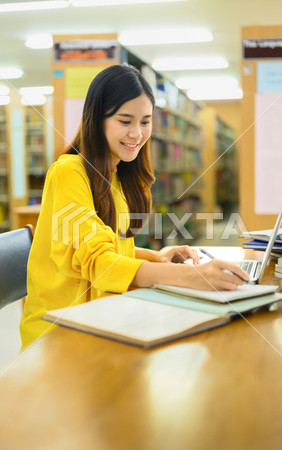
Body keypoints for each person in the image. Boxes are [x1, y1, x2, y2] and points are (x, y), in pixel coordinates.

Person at [20, 64, 248, 349]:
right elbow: (99, 263)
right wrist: (190, 276)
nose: (137, 134)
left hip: (102, 317)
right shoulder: (68, 172)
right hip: (60, 332)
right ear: (97, 119)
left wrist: (156, 258)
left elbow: (109, 246)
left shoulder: (117, 174)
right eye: (125, 121)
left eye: (145, 121)